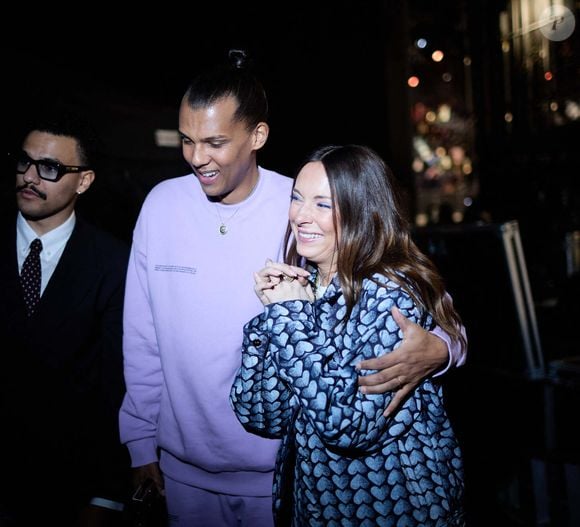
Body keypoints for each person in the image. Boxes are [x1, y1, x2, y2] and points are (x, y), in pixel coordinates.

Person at [119, 50, 465, 527]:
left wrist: (442, 351)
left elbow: (426, 319)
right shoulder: (170, 207)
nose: (198, 157)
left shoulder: (325, 229)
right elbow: (147, 341)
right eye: (186, 141)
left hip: (327, 491)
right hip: (229, 477)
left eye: (215, 142)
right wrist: (140, 442)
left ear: (257, 135)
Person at [230, 144, 467, 526]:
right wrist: (271, 319)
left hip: (392, 510)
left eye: (323, 205)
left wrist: (289, 319)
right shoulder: (307, 290)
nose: (301, 216)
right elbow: (260, 415)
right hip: (314, 510)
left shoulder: (391, 295)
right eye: (297, 199)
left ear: (362, 211)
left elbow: (348, 426)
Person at [0, 108, 131, 526]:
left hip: (64, 489)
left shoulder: (112, 263)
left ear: (84, 180)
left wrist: (107, 495)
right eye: (24, 161)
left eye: (50, 168)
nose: (30, 177)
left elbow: (114, 385)